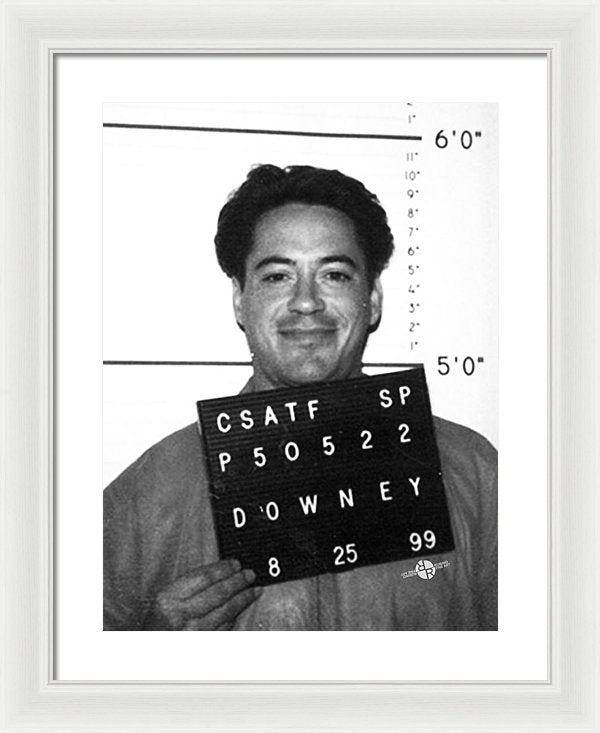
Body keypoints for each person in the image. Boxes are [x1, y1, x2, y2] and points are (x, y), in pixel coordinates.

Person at [104, 164, 497, 631]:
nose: (306, 302)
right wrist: (141, 648)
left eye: (334, 274)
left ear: (372, 299)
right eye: (277, 277)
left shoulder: (475, 473)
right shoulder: (148, 495)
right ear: (239, 299)